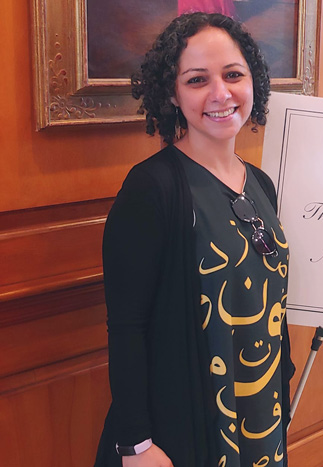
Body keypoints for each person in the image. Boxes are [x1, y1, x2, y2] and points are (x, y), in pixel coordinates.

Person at [94, 12, 294, 467]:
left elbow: (272, 298)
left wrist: (280, 388)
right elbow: (127, 328)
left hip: (260, 412)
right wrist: (136, 444)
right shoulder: (151, 189)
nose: (220, 94)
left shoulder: (261, 184)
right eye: (198, 79)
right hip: (182, 426)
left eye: (233, 75)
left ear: (253, 82)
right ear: (172, 92)